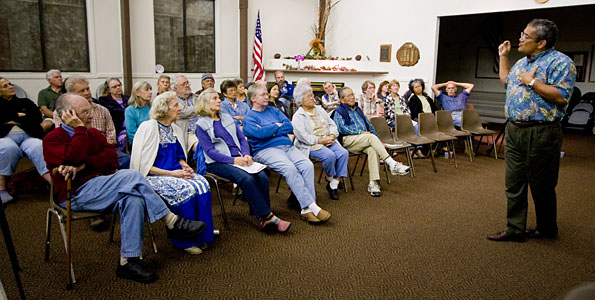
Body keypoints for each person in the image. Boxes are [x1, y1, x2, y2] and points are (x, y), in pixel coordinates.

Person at [43, 93, 207, 283]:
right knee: (132, 175)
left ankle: (128, 261)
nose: (89, 116)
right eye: (84, 112)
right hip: (76, 193)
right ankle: (171, 220)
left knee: (134, 199)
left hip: (106, 185)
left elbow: (112, 160)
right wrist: (79, 131)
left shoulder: (94, 134)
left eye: (89, 111)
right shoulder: (53, 139)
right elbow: (73, 157)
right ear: (66, 114)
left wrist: (84, 165)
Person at [488, 19, 576, 242]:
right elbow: (507, 81)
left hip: (542, 132)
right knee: (514, 183)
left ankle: (546, 228)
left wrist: (532, 82)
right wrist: (503, 56)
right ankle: (515, 229)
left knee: (542, 185)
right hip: (514, 130)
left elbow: (562, 97)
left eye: (526, 36)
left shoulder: (561, 62)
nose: (520, 38)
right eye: (522, 34)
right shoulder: (521, 63)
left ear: (541, 42)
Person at [195, 88, 291, 233]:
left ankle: (262, 217)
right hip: (218, 163)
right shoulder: (201, 125)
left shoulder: (226, 117)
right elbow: (210, 152)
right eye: (215, 98)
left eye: (218, 98)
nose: (219, 100)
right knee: (247, 179)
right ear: (205, 103)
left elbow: (241, 138)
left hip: (240, 157)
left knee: (262, 177)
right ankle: (267, 216)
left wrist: (246, 154)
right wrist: (233, 160)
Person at [130, 91, 214, 254]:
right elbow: (143, 166)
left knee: (202, 184)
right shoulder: (147, 128)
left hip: (175, 173)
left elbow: (179, 156)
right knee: (185, 189)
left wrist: (184, 166)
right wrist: (174, 174)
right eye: (176, 105)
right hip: (152, 177)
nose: (180, 108)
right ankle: (184, 240)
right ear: (164, 108)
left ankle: (201, 235)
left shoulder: (174, 128)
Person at [243, 83, 331, 224]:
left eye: (267, 93)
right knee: (290, 168)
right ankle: (311, 207)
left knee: (307, 165)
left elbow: (289, 126)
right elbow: (258, 134)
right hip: (266, 150)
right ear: (253, 98)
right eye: (263, 94)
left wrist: (270, 130)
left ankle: (306, 209)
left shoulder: (274, 110)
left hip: (287, 147)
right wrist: (276, 127)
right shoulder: (249, 118)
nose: (267, 96)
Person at [333, 87, 410, 197]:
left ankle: (373, 183)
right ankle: (392, 164)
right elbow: (342, 129)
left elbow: (369, 126)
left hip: (363, 140)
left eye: (352, 94)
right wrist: (361, 132)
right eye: (348, 95)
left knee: (372, 148)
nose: (352, 97)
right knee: (370, 137)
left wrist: (377, 140)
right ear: (341, 99)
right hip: (347, 140)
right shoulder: (338, 111)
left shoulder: (357, 109)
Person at [0, 77, 52, 204]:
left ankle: (55, 184)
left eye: (10, 84)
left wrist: (9, 119)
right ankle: (1, 189)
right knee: (8, 149)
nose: (11, 87)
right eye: (5, 86)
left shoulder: (25, 102)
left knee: (39, 146)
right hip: (5, 136)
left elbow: (36, 119)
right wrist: (19, 115)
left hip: (28, 135)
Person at [292, 84, 348, 200]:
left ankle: (334, 183)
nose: (313, 98)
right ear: (300, 100)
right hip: (312, 144)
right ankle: (330, 177)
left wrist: (332, 135)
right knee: (329, 156)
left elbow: (332, 124)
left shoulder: (320, 109)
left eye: (312, 95)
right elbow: (303, 137)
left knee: (343, 153)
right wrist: (321, 140)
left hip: (328, 140)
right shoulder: (298, 116)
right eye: (309, 96)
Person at [97, 78, 129, 150]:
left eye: (119, 85)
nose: (118, 88)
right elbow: (113, 112)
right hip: (117, 129)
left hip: (131, 127)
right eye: (114, 87)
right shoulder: (104, 101)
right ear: (109, 90)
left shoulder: (128, 99)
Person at [173, 74, 199, 151]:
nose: (187, 85)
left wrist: (190, 111)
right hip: (188, 132)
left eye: (187, 83)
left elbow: (205, 109)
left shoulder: (197, 97)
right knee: (199, 147)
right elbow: (183, 112)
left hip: (202, 129)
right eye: (183, 84)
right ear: (175, 88)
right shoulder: (173, 101)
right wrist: (198, 109)